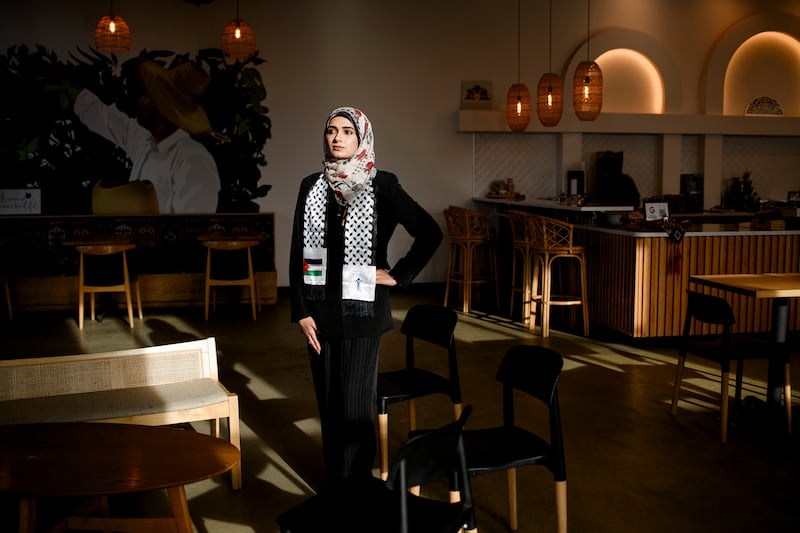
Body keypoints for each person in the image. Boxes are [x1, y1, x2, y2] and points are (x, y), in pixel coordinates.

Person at [289, 106, 442, 483]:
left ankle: (356, 489)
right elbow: (297, 252)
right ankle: (337, 485)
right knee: (329, 406)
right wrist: (301, 311)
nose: (337, 137)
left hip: (362, 313)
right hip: (319, 315)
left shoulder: (382, 184)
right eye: (331, 130)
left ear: (362, 139)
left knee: (355, 410)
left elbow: (429, 232)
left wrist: (399, 275)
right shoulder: (311, 186)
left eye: (346, 131)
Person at [73, 59, 219, 214]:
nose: (141, 100)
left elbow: (192, 227)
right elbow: (104, 118)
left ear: (165, 107)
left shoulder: (193, 159)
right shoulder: (144, 142)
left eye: (149, 96)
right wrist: (67, 87)